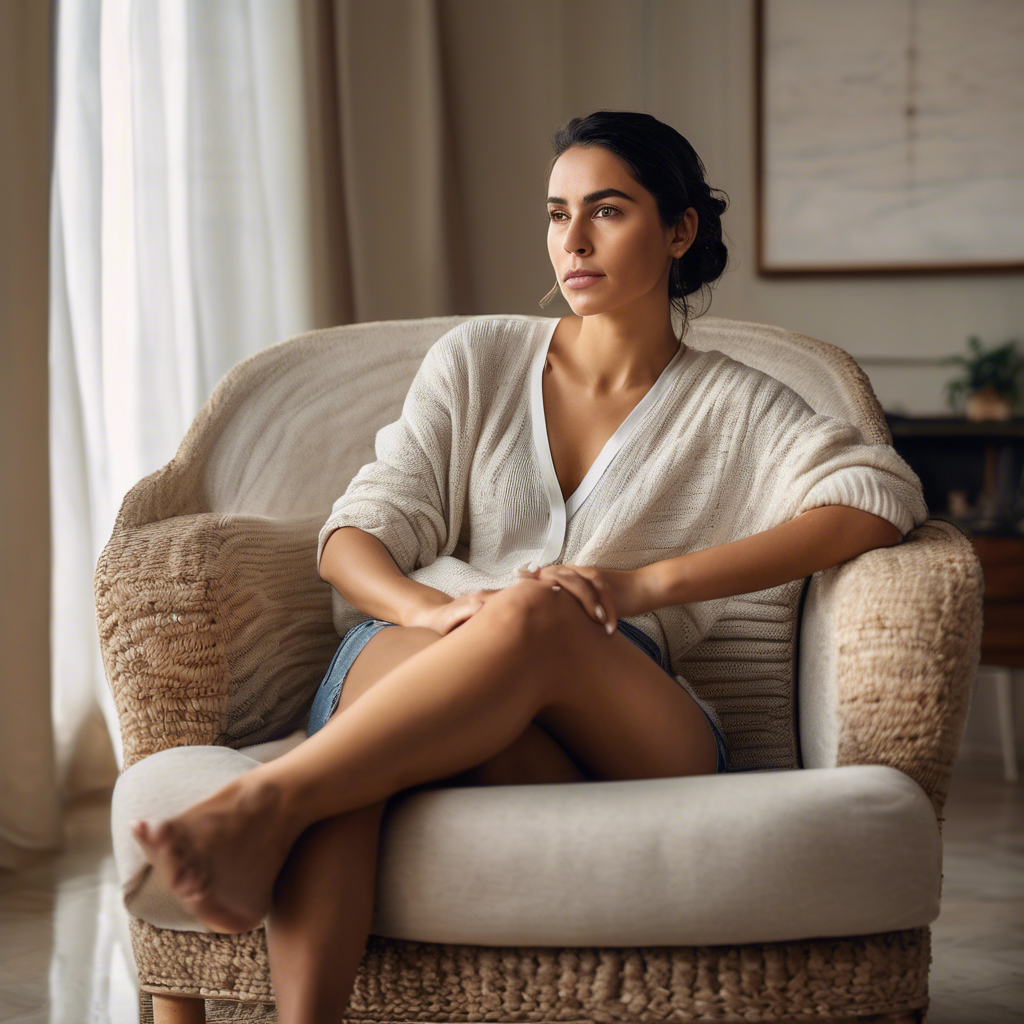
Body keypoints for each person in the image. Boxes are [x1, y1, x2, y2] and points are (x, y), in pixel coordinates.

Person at [129, 110, 926, 1023]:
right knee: (372, 759)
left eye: (608, 211)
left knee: (541, 613)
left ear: (679, 230)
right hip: (430, 644)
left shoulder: (736, 404)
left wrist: (646, 585)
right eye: (556, 214)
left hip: (625, 702)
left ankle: (260, 805)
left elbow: (876, 496)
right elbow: (354, 536)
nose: (572, 241)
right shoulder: (478, 362)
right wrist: (425, 610)